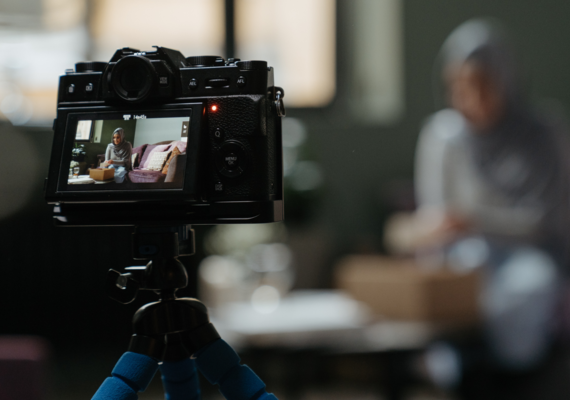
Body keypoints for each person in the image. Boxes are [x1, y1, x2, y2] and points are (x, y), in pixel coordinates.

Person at [413, 18, 570, 394]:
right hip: (465, 255)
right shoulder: (443, 137)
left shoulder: (543, 133)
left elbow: (545, 221)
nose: (470, 100)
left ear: (506, 80)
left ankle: (502, 374)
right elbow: (433, 218)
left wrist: (474, 220)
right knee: (459, 278)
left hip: (532, 256)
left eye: (482, 86)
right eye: (459, 87)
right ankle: (460, 366)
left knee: (523, 290)